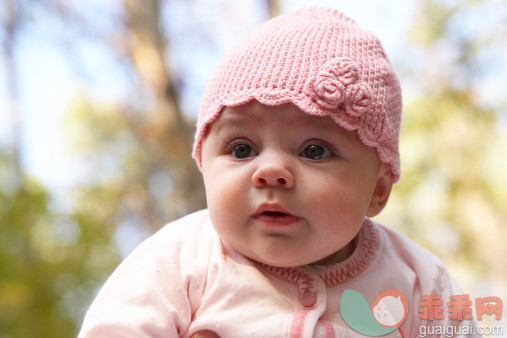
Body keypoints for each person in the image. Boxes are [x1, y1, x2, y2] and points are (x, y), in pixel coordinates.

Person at [79, 7, 478, 337]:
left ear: (377, 190)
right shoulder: (181, 259)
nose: (270, 172)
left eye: (315, 150)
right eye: (241, 149)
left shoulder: (418, 279)